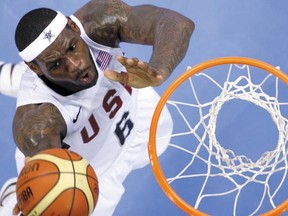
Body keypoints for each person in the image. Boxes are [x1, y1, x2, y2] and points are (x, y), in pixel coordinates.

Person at [1, 0, 194, 215]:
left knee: (161, 138)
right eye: (56, 64)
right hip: (88, 175)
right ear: (35, 67)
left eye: (72, 48)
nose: (75, 65)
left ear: (73, 27)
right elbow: (45, 156)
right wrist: (39, 187)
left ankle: (14, 75)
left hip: (138, 119)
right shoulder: (38, 122)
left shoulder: (96, 22)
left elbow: (176, 23)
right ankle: (10, 197)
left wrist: (158, 70)